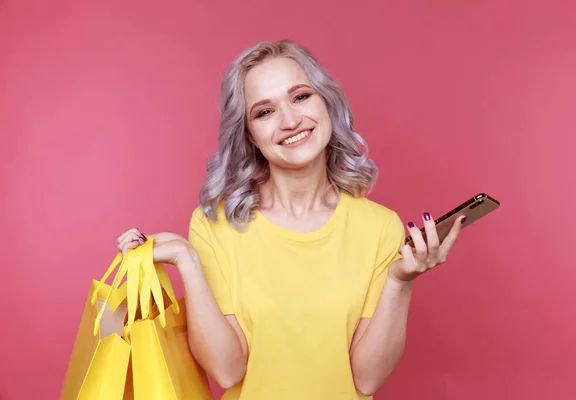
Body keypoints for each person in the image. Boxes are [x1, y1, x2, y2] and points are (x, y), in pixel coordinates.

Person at [116, 40, 465, 400]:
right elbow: (226, 370)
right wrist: (187, 264)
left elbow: (366, 380)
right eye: (264, 112)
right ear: (249, 134)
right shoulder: (216, 225)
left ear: (327, 101)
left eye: (300, 97)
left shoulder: (379, 227)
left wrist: (400, 280)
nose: (290, 120)